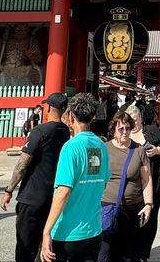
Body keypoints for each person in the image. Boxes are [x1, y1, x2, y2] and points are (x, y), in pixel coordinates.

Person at [41, 92, 111, 262]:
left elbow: (63, 192)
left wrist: (46, 231)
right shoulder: (102, 146)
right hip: (93, 229)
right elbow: (104, 182)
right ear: (93, 117)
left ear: (71, 116)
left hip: (67, 233)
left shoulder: (70, 148)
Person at [2, 92, 71, 262]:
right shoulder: (67, 133)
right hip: (54, 197)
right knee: (47, 244)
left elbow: (23, 163)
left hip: (32, 196)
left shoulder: (40, 131)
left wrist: (9, 189)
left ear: (48, 107)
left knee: (26, 245)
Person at [100, 111, 152, 262]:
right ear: (113, 130)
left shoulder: (139, 150)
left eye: (128, 128)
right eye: (120, 129)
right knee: (105, 252)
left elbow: (146, 180)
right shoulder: (104, 149)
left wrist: (148, 204)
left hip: (132, 207)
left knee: (130, 253)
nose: (124, 132)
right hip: (107, 206)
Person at [125, 103, 160, 262]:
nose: (133, 123)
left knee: (150, 217)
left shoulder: (151, 130)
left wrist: (157, 150)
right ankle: (133, 248)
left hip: (153, 180)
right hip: (132, 184)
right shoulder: (124, 133)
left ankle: (144, 251)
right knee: (133, 217)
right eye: (130, 120)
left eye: (135, 120)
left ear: (141, 118)